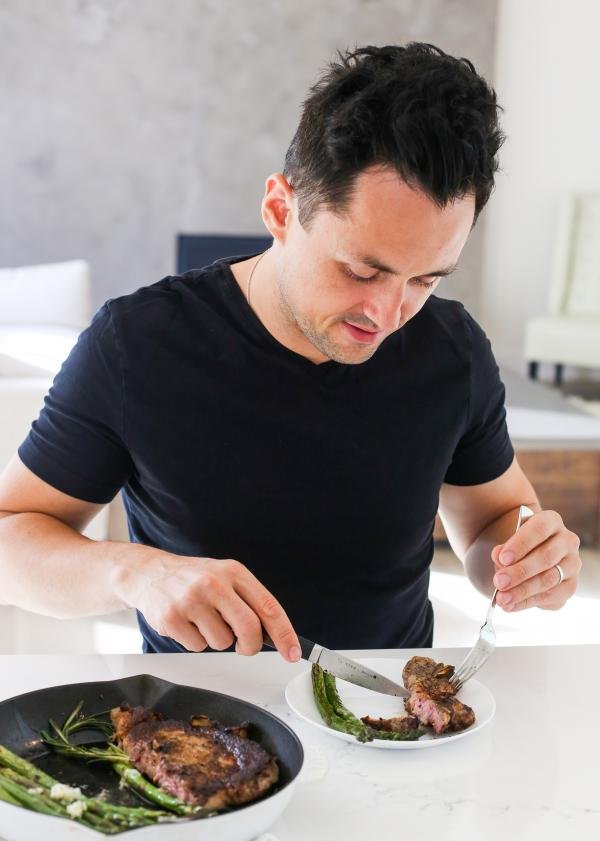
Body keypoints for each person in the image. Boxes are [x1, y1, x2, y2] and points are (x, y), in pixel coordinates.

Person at [0, 43, 581, 658]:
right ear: (281, 208)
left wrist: (527, 562)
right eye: (361, 270)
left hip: (393, 711)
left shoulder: (453, 350)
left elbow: (494, 523)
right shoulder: (138, 344)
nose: (387, 316)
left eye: (426, 280)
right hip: (202, 721)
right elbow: (10, 542)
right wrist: (134, 574)